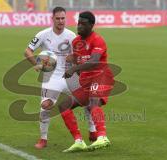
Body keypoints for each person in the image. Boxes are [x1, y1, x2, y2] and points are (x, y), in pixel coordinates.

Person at [24, 7, 97, 149]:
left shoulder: (72, 36)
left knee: (88, 102)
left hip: (71, 76)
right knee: (45, 107)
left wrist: (76, 61)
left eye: (63, 18)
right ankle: (43, 139)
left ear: (66, 19)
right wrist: (37, 64)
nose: (60, 21)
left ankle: (93, 131)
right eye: (57, 18)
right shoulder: (43, 34)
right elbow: (27, 51)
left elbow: (80, 55)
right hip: (52, 77)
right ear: (52, 19)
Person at [60, 11, 114, 152]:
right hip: (86, 81)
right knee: (64, 106)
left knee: (93, 102)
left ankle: (102, 137)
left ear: (91, 25)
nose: (79, 26)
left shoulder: (97, 40)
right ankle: (79, 141)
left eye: (83, 24)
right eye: (78, 23)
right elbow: (79, 59)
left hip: (101, 76)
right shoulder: (76, 42)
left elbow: (94, 61)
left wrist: (74, 69)